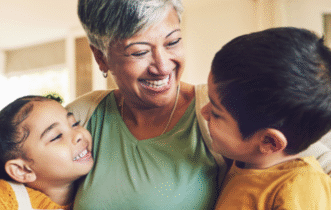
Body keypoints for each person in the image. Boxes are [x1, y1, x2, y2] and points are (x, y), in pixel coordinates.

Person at [67, 1, 331, 209]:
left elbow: (302, 159)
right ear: (101, 57)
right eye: (139, 52)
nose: (162, 66)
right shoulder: (78, 120)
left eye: (172, 42)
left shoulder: (228, 107)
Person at [202, 27, 331, 209]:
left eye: (215, 113)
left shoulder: (302, 187)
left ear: (269, 141)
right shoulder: (246, 161)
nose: (203, 112)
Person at [0, 95, 94, 210]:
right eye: (56, 136)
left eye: (75, 123)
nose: (78, 135)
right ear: (22, 170)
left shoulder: (97, 189)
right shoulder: (2, 198)